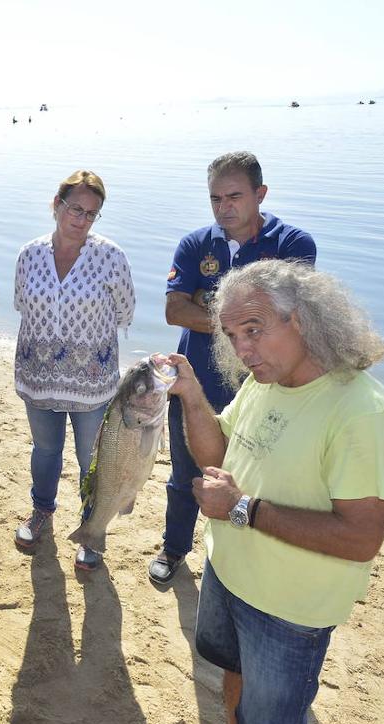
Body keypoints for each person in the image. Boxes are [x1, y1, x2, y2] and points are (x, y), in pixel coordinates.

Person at [164, 259, 384, 724]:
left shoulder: (364, 413)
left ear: (301, 319)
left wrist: (242, 509)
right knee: (233, 677)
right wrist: (190, 394)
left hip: (289, 611)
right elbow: (219, 457)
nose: (242, 349)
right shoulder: (266, 379)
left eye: (254, 330)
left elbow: (361, 538)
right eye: (232, 334)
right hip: (229, 574)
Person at [152, 151, 317, 586]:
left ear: (260, 194)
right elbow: (173, 311)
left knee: (256, 476)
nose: (224, 207)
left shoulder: (292, 246)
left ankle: (235, 560)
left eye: (234, 196)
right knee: (186, 475)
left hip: (264, 386)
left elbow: (290, 314)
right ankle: (174, 548)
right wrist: (250, 321)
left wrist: (208, 309)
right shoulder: (194, 244)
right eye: (215, 198)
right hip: (196, 384)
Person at [11, 171, 135, 569]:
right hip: (39, 376)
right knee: (46, 451)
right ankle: (42, 511)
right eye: (75, 209)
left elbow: (125, 312)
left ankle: (91, 530)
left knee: (91, 460)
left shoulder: (111, 257)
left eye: (92, 214)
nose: (81, 220)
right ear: (57, 205)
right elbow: (20, 303)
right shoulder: (29, 254)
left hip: (91, 385)